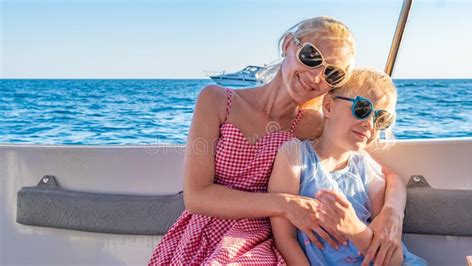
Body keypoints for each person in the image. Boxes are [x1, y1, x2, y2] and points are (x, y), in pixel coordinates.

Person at [148, 17, 407, 265]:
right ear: (287, 45)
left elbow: (386, 174)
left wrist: (392, 213)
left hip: (267, 238)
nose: (316, 76)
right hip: (206, 231)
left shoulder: (313, 124)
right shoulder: (217, 101)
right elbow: (196, 197)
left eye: (332, 74)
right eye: (311, 56)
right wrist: (285, 204)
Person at [268, 69, 427, 265]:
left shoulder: (364, 165)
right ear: (328, 107)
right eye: (362, 109)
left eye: (381, 119)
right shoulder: (295, 155)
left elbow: (392, 259)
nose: (370, 124)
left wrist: (355, 229)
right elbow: (285, 239)